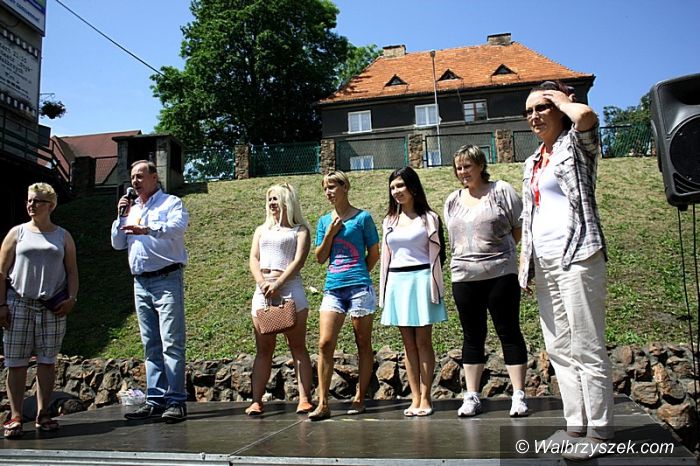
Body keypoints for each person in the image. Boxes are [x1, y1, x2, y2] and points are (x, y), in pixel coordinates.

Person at [519, 80, 614, 460]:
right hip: (544, 263)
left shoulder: (576, 145)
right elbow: (530, 217)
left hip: (578, 254)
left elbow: (587, 117)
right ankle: (575, 425)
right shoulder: (531, 161)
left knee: (586, 345)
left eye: (541, 108)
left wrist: (561, 99)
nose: (534, 116)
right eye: (528, 111)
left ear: (559, 108)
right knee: (558, 347)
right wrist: (526, 266)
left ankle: (600, 432)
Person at [443, 145, 529, 418]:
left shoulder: (501, 191)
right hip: (464, 277)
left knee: (508, 331)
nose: (463, 172)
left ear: (481, 165)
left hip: (500, 274)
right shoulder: (452, 200)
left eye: (467, 166)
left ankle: (519, 395)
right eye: (458, 167)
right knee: (472, 335)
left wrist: (501, 254)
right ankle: (472, 396)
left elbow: (519, 227)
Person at [111, 160, 189, 423]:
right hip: (140, 283)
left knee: (172, 343)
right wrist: (121, 216)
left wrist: (147, 229)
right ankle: (155, 400)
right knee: (150, 344)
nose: (135, 181)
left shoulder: (171, 203)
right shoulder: (131, 209)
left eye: (140, 176)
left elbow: (178, 228)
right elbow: (117, 243)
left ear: (154, 177)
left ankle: (176, 401)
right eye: (132, 177)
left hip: (166, 279)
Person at [0, 183, 79, 438]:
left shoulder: (62, 236)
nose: (31, 205)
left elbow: (72, 271)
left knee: (47, 361)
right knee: (16, 362)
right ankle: (15, 415)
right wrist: (1, 305)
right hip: (20, 303)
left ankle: (43, 413)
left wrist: (72, 298)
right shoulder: (17, 233)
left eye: (37, 201)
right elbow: (1, 272)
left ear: (51, 205)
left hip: (51, 306)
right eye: (29, 200)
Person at [308, 171, 380, 421]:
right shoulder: (323, 221)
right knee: (325, 343)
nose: (328, 192)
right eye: (325, 188)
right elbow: (319, 258)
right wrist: (330, 233)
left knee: (363, 343)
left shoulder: (363, 218)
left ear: (345, 187)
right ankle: (323, 403)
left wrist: (359, 274)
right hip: (333, 289)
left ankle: (360, 397)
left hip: (359, 288)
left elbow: (374, 253)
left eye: (332, 187)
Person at [379, 167, 447, 417]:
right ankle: (415, 397)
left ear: (413, 187)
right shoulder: (388, 221)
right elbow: (387, 256)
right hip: (397, 282)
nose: (396, 191)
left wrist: (433, 283)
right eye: (392, 187)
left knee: (423, 341)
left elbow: (440, 254)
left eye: (400, 185)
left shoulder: (429, 218)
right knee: (408, 345)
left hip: (422, 281)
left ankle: (426, 397)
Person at [246, 183, 314, 416]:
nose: (272, 203)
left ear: (287, 201)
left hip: (289, 288)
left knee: (297, 345)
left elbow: (298, 260)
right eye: (270, 199)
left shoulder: (300, 230)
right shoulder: (261, 230)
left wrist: (279, 283)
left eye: (276, 199)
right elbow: (254, 258)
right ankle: (256, 401)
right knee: (263, 349)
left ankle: (304, 399)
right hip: (263, 291)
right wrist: (262, 282)